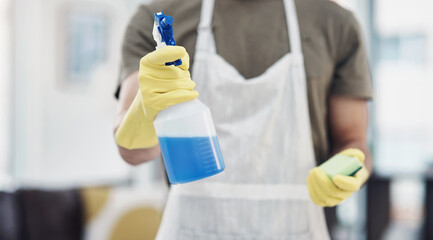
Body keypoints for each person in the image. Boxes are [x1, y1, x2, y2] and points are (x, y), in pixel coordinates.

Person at [113, 0, 372, 239]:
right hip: (194, 230)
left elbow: (355, 143)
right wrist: (145, 110)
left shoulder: (336, 23)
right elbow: (133, 152)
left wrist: (349, 169)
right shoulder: (158, 19)